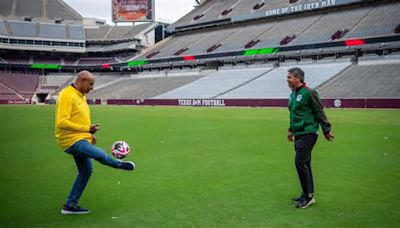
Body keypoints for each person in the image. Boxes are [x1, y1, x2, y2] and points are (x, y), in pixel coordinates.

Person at [55, 70, 135, 215]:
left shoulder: (81, 96)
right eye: (90, 84)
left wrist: (89, 135)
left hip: (81, 138)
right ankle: (119, 164)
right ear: (82, 81)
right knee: (99, 154)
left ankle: (70, 205)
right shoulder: (67, 95)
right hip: (70, 140)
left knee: (86, 171)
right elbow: (61, 122)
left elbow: (78, 118)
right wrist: (87, 129)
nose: (92, 88)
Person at [286, 67, 334, 209]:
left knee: (300, 162)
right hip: (299, 133)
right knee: (304, 163)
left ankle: (308, 197)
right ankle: (306, 193)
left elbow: (319, 111)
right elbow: (295, 114)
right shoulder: (293, 93)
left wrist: (326, 129)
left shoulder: (309, 93)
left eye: (289, 77)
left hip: (309, 132)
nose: (287, 80)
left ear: (298, 78)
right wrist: (290, 130)